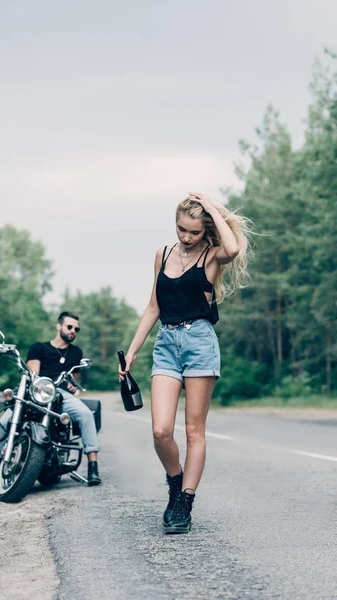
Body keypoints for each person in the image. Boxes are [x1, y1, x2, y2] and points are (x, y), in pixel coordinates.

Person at [119, 192, 251, 534]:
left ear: (205, 230)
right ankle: (175, 481)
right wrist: (133, 349)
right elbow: (153, 307)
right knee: (161, 430)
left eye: (194, 231)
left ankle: (184, 502)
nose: (186, 237)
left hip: (199, 343)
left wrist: (209, 207)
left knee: (194, 430)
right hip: (166, 343)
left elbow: (233, 249)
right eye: (181, 229)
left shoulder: (211, 256)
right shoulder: (162, 255)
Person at [0, 311, 101, 492]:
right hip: (38, 390)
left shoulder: (76, 352)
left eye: (76, 329)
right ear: (59, 326)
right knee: (5, 420)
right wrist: (41, 386)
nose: (73, 331)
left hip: (61, 394)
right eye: (69, 327)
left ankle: (93, 467)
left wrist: (73, 386)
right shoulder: (39, 348)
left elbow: (75, 379)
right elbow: (33, 375)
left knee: (86, 414)